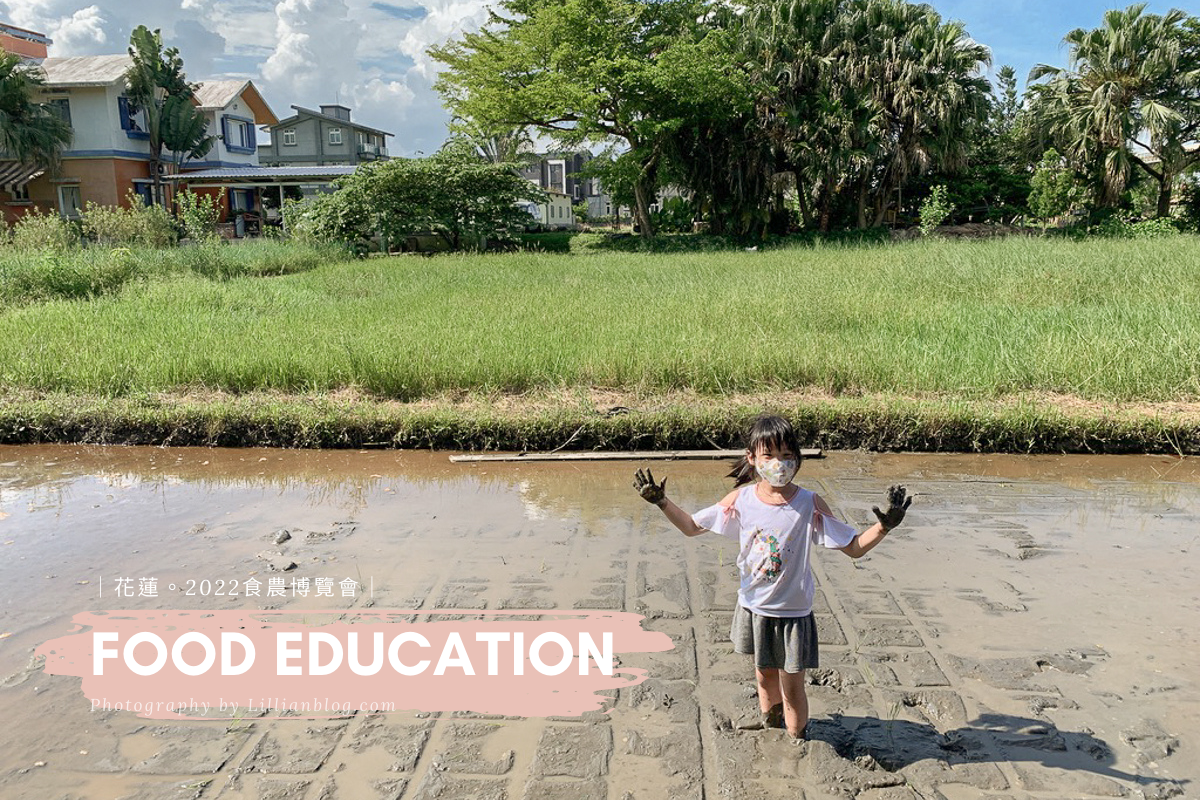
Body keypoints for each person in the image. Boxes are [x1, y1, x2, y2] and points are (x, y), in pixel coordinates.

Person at [632, 414, 912, 741]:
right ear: (752, 458)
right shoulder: (742, 500)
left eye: (787, 455)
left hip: (793, 614)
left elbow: (853, 548)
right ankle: (771, 725)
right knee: (764, 678)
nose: (778, 463)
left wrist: (885, 526)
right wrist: (662, 502)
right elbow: (693, 527)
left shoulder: (809, 503)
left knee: (792, 687)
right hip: (754, 608)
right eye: (769, 455)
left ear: (797, 459)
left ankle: (797, 741)